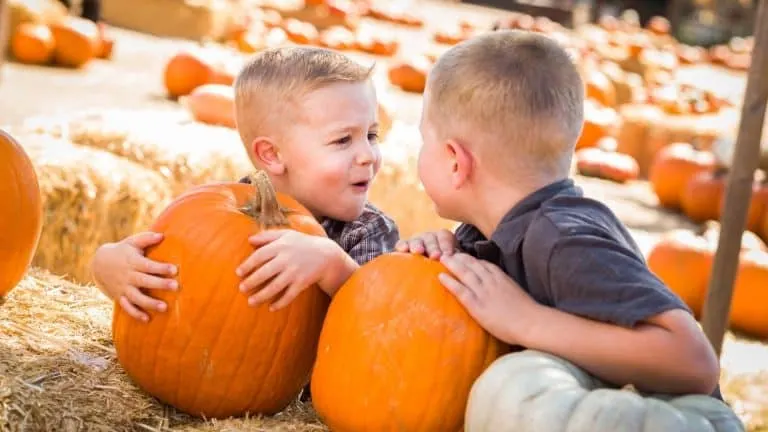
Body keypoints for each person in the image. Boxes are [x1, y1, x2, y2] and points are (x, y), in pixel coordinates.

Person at [396, 30, 721, 398]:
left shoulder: (563, 240)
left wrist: (527, 322)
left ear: (455, 162)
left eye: (425, 140)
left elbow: (694, 363)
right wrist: (442, 260)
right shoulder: (486, 231)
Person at [90, 46, 398, 324]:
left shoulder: (368, 231)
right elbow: (164, 270)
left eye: (372, 135)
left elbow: (384, 319)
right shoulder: (224, 209)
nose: (368, 155)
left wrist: (333, 267)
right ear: (272, 154)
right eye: (343, 139)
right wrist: (108, 264)